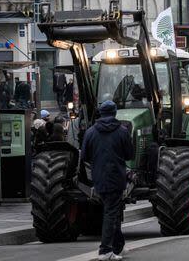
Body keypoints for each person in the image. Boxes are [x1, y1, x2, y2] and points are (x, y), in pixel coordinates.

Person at [81, 101, 134, 261]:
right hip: (117, 177)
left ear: (100, 113)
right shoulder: (122, 131)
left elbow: (84, 156)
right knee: (111, 212)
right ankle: (105, 250)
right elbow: (129, 155)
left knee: (112, 210)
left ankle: (119, 246)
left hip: (99, 178)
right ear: (115, 112)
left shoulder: (90, 132)